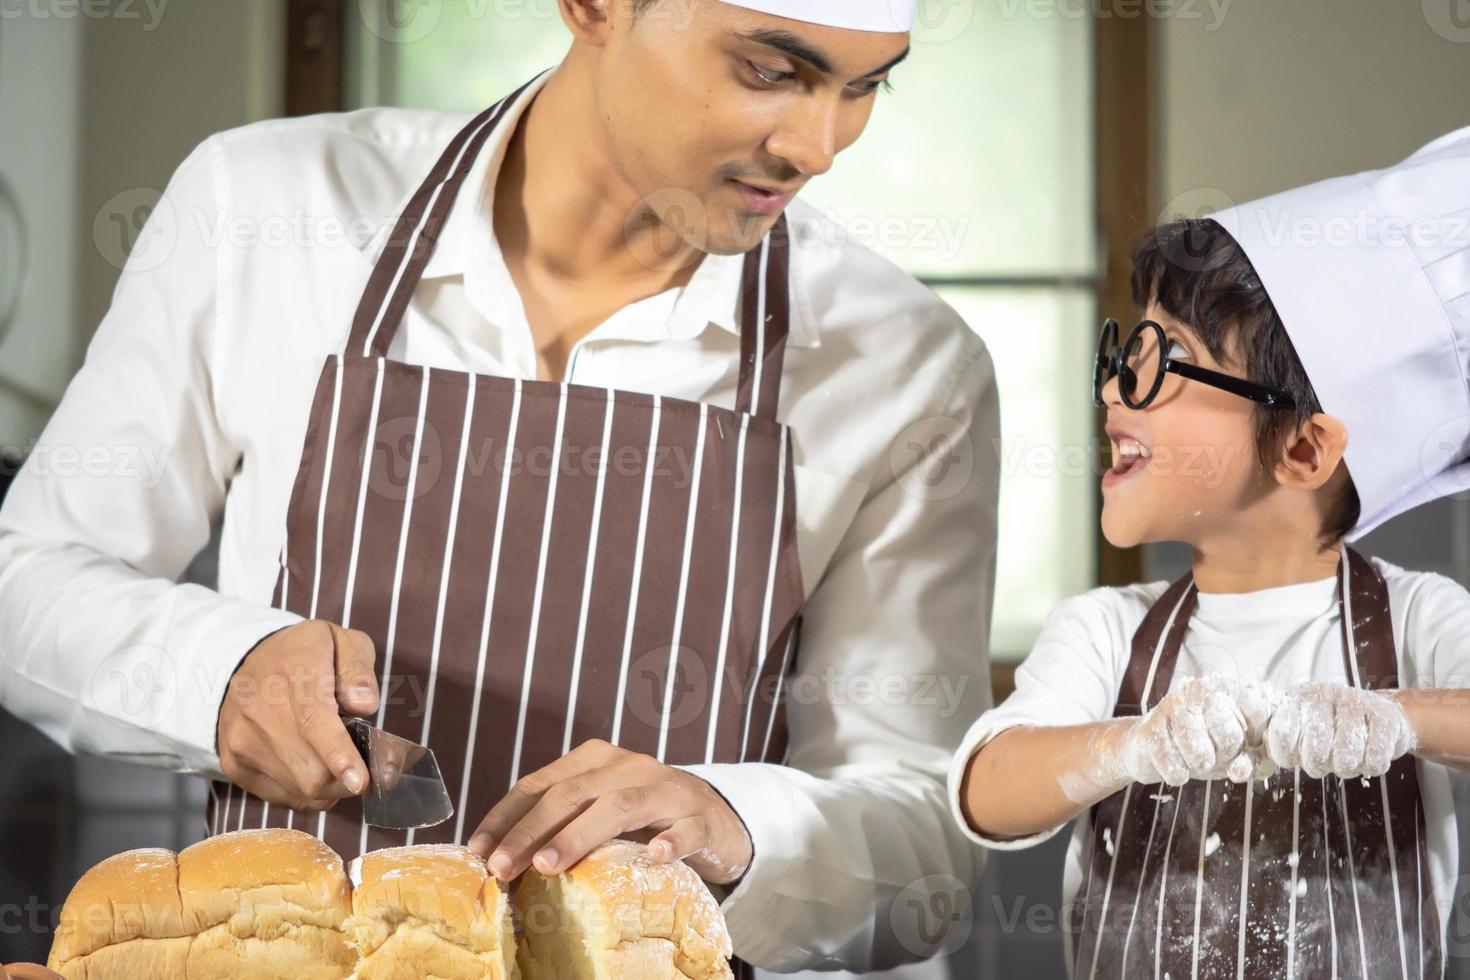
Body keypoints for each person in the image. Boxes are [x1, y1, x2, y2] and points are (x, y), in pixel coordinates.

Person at [0, 0, 999, 973]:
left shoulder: (907, 362)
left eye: (864, 86)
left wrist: (736, 823)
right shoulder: (267, 206)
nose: (819, 146)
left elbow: (927, 837)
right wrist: (215, 672)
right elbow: (28, 581)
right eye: (771, 71)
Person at [950, 126, 1470, 977]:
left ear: (1302, 451)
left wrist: (1398, 717)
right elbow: (987, 790)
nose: (1120, 386)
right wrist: (1130, 748)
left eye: (1169, 362)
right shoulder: (1107, 629)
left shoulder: (1418, 621)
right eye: (1130, 350)